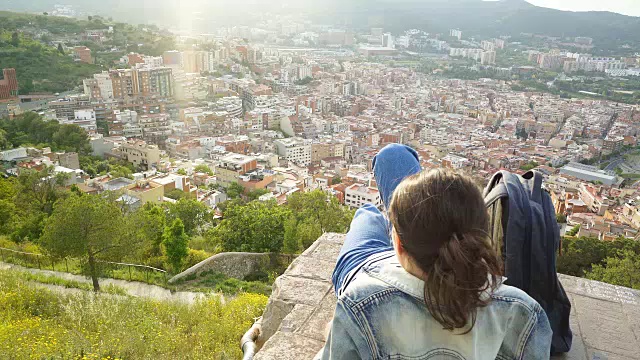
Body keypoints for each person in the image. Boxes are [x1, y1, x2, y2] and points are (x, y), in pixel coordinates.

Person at [320, 144, 552, 360]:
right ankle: (404, 220)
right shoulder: (523, 311)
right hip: (416, 254)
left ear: (398, 245)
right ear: (479, 236)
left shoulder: (360, 304)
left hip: (376, 269)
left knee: (368, 213)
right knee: (395, 165)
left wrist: (340, 330)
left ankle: (387, 216)